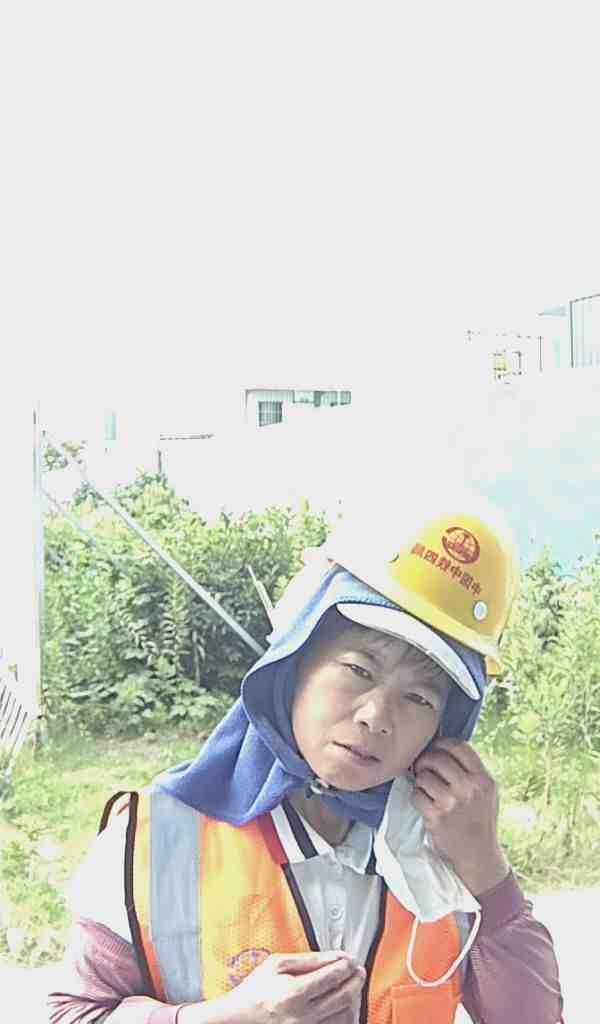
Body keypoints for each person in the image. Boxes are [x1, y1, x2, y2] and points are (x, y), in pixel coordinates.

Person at [48, 488, 564, 1024]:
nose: (376, 717)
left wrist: (486, 866)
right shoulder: (155, 841)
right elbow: (74, 1014)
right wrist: (225, 1018)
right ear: (293, 661)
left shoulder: (443, 856)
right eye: (359, 670)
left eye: (419, 698)